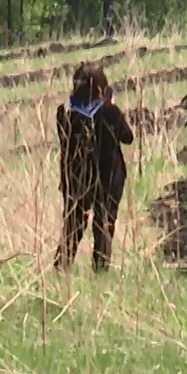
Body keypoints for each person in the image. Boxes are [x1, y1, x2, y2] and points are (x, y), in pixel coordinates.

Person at [56, 61, 135, 270]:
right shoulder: (110, 111)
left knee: (74, 224)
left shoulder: (64, 113)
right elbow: (128, 137)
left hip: (76, 176)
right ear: (101, 87)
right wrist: (112, 106)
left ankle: (62, 265)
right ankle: (100, 269)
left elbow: (65, 140)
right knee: (104, 224)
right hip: (109, 178)